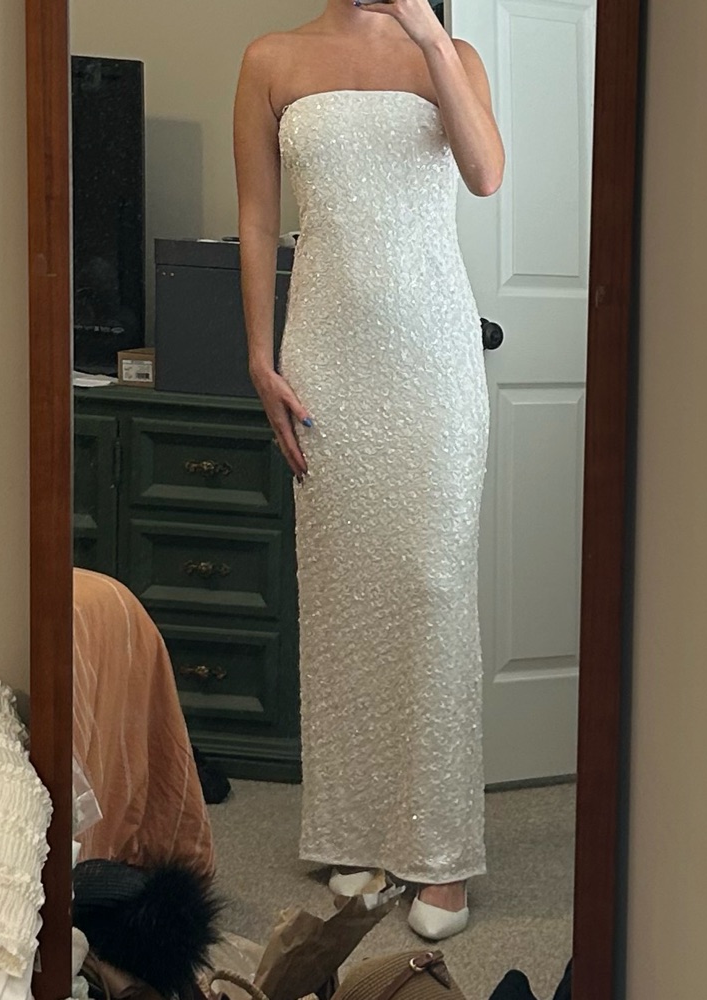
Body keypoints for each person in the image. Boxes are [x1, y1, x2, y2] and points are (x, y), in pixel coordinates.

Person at [234, 0, 504, 941]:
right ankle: (356, 832)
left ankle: (441, 855)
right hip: (326, 360)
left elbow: (485, 174)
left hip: (433, 360)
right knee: (344, 598)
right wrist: (259, 358)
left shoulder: (452, 52)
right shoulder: (270, 60)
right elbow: (257, 216)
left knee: (433, 588)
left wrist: (429, 37)